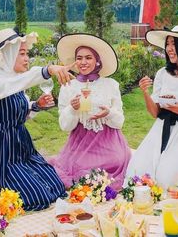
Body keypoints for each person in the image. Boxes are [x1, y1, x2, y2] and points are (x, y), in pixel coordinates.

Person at [0, 28, 74, 211]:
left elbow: (18, 111)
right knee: (35, 196)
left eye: (28, 54)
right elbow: (9, 87)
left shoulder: (13, 79)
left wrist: (36, 105)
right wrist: (48, 70)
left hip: (20, 148)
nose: (27, 59)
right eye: (22, 53)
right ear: (6, 55)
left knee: (54, 185)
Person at [125, 25, 178, 189]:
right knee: (137, 171)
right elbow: (155, 112)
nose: (169, 49)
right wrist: (145, 92)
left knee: (167, 180)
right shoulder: (162, 74)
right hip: (162, 128)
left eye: (174, 44)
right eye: (168, 44)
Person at [49, 33, 131, 190]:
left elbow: (119, 121)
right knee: (80, 169)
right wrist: (72, 109)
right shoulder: (69, 86)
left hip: (109, 141)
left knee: (117, 162)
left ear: (97, 61)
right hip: (80, 144)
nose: (83, 62)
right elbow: (64, 126)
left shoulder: (110, 84)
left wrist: (108, 114)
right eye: (79, 58)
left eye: (88, 58)